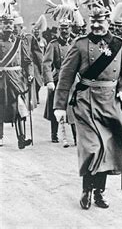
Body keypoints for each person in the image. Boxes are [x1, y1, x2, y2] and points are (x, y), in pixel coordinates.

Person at [53, 0, 122, 210]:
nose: (97, 26)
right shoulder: (79, 45)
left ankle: (100, 192)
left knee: (108, 149)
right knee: (92, 149)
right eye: (94, 21)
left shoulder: (120, 44)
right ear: (89, 21)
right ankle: (87, 190)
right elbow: (66, 77)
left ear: (108, 20)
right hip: (86, 103)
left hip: (110, 102)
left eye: (101, 21)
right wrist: (59, 106)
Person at [0, 1, 34, 149]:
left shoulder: (19, 42)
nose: (8, 26)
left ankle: (21, 138)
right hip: (2, 80)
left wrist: (30, 74)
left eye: (10, 23)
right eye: (5, 23)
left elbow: (28, 60)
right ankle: (0, 137)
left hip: (17, 79)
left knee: (20, 108)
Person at [43, 14, 77, 147]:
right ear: (58, 29)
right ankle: (54, 134)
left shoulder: (75, 43)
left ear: (70, 29)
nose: (64, 31)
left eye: (66, 28)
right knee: (55, 105)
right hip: (58, 78)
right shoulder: (53, 44)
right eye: (62, 28)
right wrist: (49, 80)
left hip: (73, 79)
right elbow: (46, 63)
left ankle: (76, 136)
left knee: (74, 107)